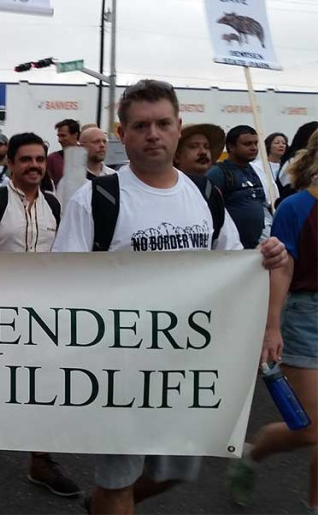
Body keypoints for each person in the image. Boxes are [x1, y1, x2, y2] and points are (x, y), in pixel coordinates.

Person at [52, 79, 288, 515]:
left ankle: (100, 503)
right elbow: (61, 282)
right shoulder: (97, 199)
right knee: (119, 481)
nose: (153, 134)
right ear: (123, 134)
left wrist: (263, 259)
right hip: (119, 369)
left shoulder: (203, 194)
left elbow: (232, 265)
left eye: (163, 123)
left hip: (186, 367)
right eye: (141, 126)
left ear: (178, 127)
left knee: (176, 469)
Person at [0, 132, 81, 497]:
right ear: (10, 163)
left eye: (40, 160)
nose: (34, 165)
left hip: (42, 313)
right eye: (26, 159)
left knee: (41, 383)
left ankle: (40, 460)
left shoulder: (55, 205)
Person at [227, 141, 317, 513]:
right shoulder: (296, 207)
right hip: (304, 316)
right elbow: (283, 267)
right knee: (311, 428)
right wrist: (272, 326)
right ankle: (253, 453)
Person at [206, 125, 271, 249]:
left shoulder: (257, 170)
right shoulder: (218, 173)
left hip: (254, 248)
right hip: (230, 251)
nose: (253, 148)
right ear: (231, 147)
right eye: (247, 144)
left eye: (255, 143)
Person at [45, 118, 81, 187]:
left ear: (75, 135)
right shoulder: (52, 159)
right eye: (59, 136)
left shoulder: (88, 157)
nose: (59, 140)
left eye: (63, 136)